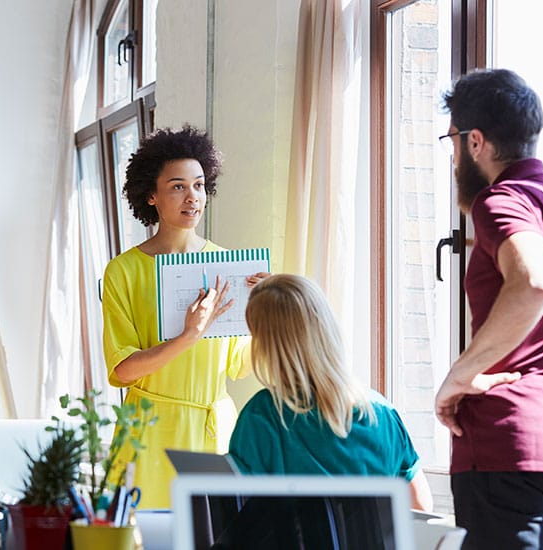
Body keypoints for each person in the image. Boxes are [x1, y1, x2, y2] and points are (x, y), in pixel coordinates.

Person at [434, 68, 543, 550]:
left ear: (474, 141)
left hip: (508, 444)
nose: (454, 154)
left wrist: (460, 374)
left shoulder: (503, 199)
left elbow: (535, 280)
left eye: (452, 140)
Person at [102, 125, 266, 509]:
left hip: (215, 430)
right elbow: (123, 371)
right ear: (151, 195)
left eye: (198, 185)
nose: (191, 197)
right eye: (177, 186)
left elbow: (242, 366)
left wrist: (266, 311)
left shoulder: (229, 266)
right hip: (148, 432)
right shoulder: (123, 271)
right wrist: (186, 337)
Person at [228, 274, 433, 512]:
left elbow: (238, 515)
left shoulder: (263, 415)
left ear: (266, 346)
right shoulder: (382, 412)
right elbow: (421, 508)